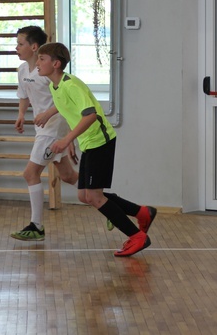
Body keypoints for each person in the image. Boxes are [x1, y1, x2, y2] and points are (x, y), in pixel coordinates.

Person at [36, 42, 157, 257]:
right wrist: (50, 115)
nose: (37, 63)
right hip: (88, 142)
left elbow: (90, 115)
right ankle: (141, 212)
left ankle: (137, 236)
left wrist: (66, 140)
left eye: (41, 59)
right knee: (85, 195)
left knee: (94, 196)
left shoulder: (70, 84)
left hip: (100, 141)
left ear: (55, 64)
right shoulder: (56, 86)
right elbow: (67, 107)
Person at [10, 26, 79, 241]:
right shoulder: (23, 70)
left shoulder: (49, 73)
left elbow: (66, 101)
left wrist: (69, 137)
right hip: (43, 129)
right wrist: (21, 114)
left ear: (34, 47)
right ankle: (107, 200)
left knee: (30, 174)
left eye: (20, 44)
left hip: (53, 128)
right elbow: (24, 94)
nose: (16, 48)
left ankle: (36, 226)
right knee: (68, 177)